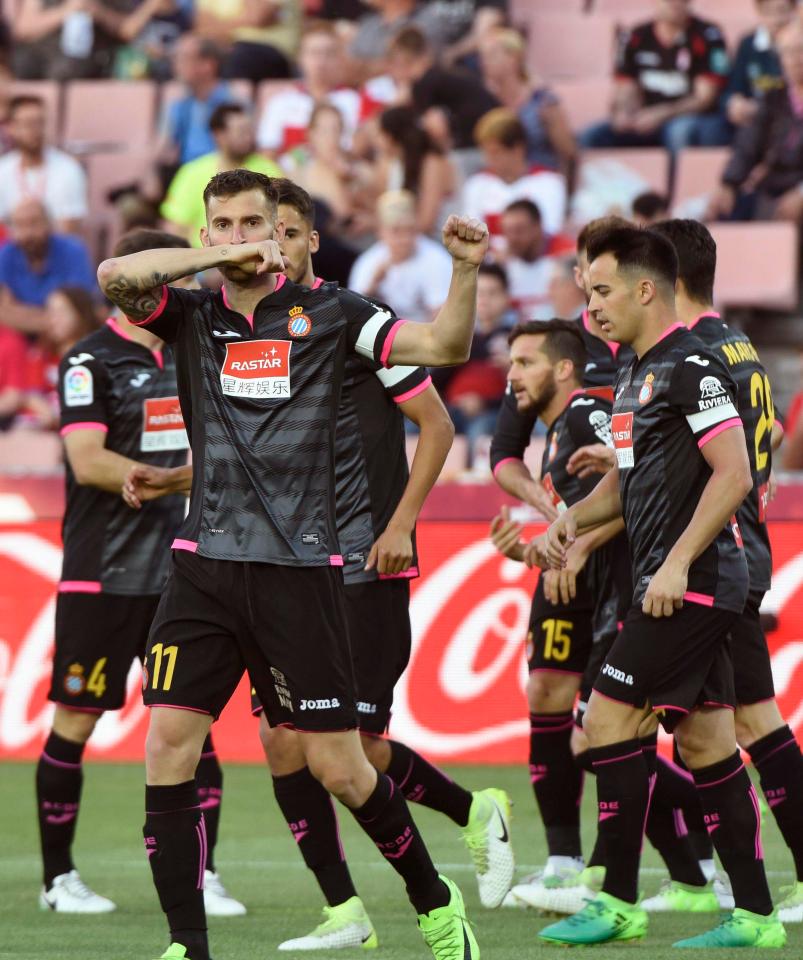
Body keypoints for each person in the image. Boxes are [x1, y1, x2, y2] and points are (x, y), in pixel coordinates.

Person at [97, 168, 489, 960]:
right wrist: (211, 263)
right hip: (204, 566)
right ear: (206, 234)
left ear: (286, 234)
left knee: (341, 766)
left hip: (301, 573)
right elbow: (116, 278)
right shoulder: (193, 316)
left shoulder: (336, 315)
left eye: (258, 224)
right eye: (226, 224)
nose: (243, 237)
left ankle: (434, 904)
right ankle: (187, 946)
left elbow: (446, 345)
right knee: (167, 743)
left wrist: (466, 269)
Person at [536, 226, 784, 948]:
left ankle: (615, 902)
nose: (592, 308)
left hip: (693, 583)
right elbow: (625, 483)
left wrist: (675, 562)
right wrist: (570, 523)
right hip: (670, 581)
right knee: (706, 744)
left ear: (646, 289)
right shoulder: (630, 374)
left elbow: (733, 472)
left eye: (603, 291)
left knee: (605, 725)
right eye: (587, 293)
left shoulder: (692, 368)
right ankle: (756, 915)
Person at [36, 229, 243, 919]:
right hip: (102, 571)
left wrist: (170, 480)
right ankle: (58, 878)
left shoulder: (199, 351)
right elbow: (88, 462)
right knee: (76, 719)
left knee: (192, 724)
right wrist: (167, 477)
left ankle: (204, 874)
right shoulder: (90, 361)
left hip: (181, 573)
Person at [638, 218, 803, 923]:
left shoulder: (692, 352)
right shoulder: (736, 343)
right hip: (742, 550)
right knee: (749, 726)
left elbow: (726, 464)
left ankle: (743, 890)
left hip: (718, 558)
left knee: (740, 728)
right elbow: (765, 439)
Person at [580, 0, 730, 154]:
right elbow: (626, 87)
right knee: (591, 136)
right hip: (646, 119)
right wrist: (623, 113)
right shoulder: (634, 36)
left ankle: (676, 178)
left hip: (690, 118)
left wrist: (661, 114)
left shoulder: (708, 35)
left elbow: (704, 99)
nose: (675, 4)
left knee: (679, 132)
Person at [707, 19, 803, 223]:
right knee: (720, 212)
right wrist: (728, 184)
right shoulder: (772, 99)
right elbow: (746, 145)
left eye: (800, 51)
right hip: (775, 186)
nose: (795, 59)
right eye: (788, 52)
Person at [161, 104, 282, 244]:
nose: (248, 137)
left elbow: (282, 217)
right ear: (219, 135)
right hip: (204, 260)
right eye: (241, 132)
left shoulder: (270, 170)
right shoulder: (192, 172)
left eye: (250, 131)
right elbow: (176, 227)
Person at [385, 26, 499, 153]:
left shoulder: (423, 83)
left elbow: (437, 128)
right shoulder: (442, 76)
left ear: (402, 60)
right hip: (487, 139)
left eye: (392, 62)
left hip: (473, 147)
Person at [257, 21, 363, 157]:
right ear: (300, 58)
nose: (321, 61)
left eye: (328, 53)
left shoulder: (353, 101)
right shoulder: (281, 102)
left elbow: (354, 151)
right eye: (314, 53)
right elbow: (267, 153)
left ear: (339, 59)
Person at [479, 26, 576, 173]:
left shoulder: (543, 101)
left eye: (492, 56)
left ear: (513, 59)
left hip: (541, 180)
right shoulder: (486, 102)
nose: (484, 63)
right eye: (483, 57)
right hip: (501, 183)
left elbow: (568, 152)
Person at [462, 109, 567, 244]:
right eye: (486, 154)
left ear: (518, 150)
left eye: (496, 153)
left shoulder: (549, 182)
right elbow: (470, 236)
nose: (489, 161)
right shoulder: (477, 184)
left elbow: (549, 233)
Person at [348, 190, 452, 324]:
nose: (405, 239)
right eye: (396, 231)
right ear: (381, 232)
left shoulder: (437, 259)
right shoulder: (369, 262)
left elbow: (442, 320)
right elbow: (353, 316)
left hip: (423, 336)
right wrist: (373, 286)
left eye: (410, 230)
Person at [0, 199, 96, 336]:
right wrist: (54, 319)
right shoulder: (6, 255)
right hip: (22, 340)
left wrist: (23, 316)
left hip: (69, 338)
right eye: (20, 225)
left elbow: (79, 309)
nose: (28, 233)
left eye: (34, 223)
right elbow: (4, 312)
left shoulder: (73, 250)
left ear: (49, 223)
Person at [0, 96, 88, 234]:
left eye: (40, 123)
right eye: (28, 124)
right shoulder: (2, 170)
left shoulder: (68, 169)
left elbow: (69, 230)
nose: (36, 130)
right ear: (11, 128)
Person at [156, 36, 239, 172]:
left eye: (183, 58)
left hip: (224, 177)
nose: (176, 65)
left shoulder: (233, 103)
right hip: (186, 175)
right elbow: (162, 148)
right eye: (176, 58)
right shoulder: (179, 105)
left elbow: (241, 149)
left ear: (207, 65)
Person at [371, 105, 457, 236]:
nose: (375, 141)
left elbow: (427, 222)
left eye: (379, 134)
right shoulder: (396, 165)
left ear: (389, 137)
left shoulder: (432, 163)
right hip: (406, 239)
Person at [25, 286, 100, 430]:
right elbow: (30, 393)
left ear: (81, 314)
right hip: (40, 426)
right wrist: (44, 411)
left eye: (61, 312)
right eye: (50, 312)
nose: (54, 319)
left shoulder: (95, 357)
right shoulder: (41, 353)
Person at [279, 102, 357, 228]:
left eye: (336, 130)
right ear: (310, 134)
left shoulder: (357, 170)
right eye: (323, 131)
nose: (331, 137)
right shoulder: (295, 172)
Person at [498, 199, 573, 321]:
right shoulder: (500, 264)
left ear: (538, 227)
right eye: (507, 231)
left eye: (519, 230)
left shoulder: (567, 255)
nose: (512, 239)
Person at [724, 0, 793, 130]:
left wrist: (761, 109)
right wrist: (735, 103)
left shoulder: (798, 48)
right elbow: (734, 88)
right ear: (759, 12)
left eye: (782, 11)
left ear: (794, 11)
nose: (777, 20)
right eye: (769, 12)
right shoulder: (748, 44)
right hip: (753, 123)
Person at [193, 0, 298, 82]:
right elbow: (201, 27)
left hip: (272, 51)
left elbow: (258, 17)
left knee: (240, 57)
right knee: (192, 55)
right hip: (228, 47)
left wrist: (220, 25)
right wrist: (243, 22)